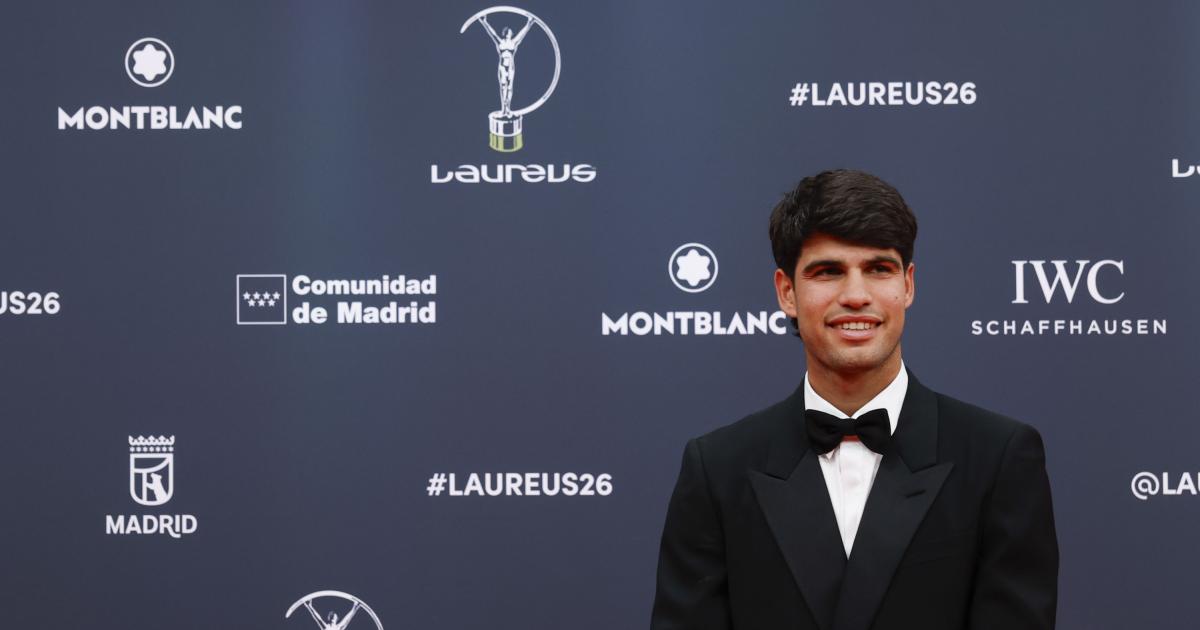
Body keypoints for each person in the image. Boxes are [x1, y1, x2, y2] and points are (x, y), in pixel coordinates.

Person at [650, 169, 1058, 630]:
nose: (856, 296)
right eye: (829, 272)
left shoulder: (997, 457)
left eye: (878, 269)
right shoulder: (717, 468)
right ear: (787, 292)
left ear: (908, 285)